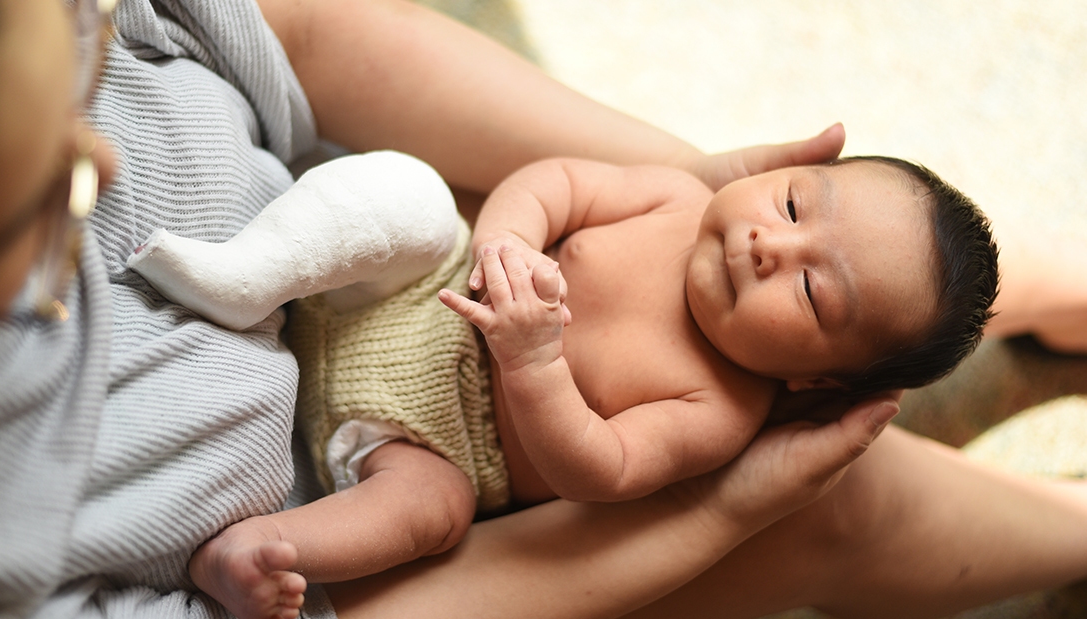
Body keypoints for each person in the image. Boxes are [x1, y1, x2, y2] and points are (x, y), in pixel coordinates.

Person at [0, 2, 1084, 619]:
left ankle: (939, 301)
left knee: (802, 280)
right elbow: (604, 468)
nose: (101, 146)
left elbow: (302, 34)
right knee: (828, 485)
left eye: (83, 65)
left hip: (382, 242)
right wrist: (722, 506)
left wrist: (721, 195)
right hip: (382, 478)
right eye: (56, 199)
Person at [145, 149, 997, 618]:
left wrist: (537, 365)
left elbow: (603, 468)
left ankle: (265, 551)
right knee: (408, 193)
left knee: (432, 519)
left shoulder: (722, 411)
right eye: (796, 205)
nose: (775, 247)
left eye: (813, 292)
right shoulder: (672, 195)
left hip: (432, 443)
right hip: (426, 283)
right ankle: (249, 274)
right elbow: (553, 184)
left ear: (815, 376)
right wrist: (507, 243)